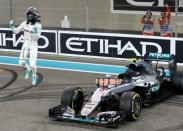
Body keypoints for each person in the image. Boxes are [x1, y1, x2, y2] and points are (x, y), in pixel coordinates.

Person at [9, 7, 42, 86]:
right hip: (25, 44)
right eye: (28, 14)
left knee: (32, 65)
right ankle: (28, 69)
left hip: (33, 45)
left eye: (30, 14)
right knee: (21, 62)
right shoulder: (24, 23)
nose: (29, 16)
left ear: (35, 15)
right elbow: (16, 31)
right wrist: (12, 26)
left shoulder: (38, 25)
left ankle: (34, 75)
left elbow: (37, 37)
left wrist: (34, 31)